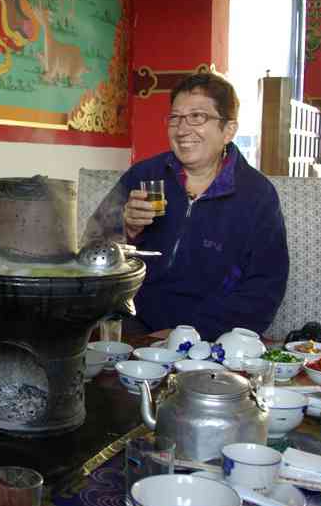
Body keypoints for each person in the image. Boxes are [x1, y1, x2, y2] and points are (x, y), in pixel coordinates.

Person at [83, 72, 289, 341]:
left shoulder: (256, 194)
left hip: (214, 334)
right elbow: (90, 249)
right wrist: (127, 228)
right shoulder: (144, 176)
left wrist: (191, 333)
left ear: (228, 130)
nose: (182, 130)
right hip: (134, 324)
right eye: (175, 118)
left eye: (197, 117)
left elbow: (265, 289)